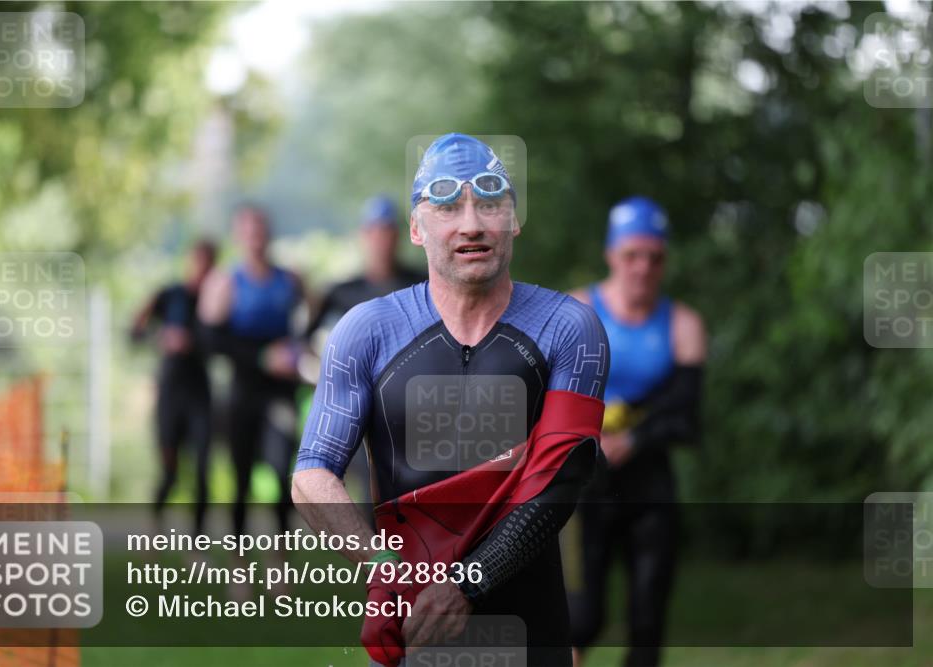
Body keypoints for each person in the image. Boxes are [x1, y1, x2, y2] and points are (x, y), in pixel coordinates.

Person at [292, 133, 610, 667]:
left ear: (514, 221)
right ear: (416, 229)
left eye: (490, 205)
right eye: (447, 207)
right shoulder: (367, 331)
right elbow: (311, 474)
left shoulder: (568, 327)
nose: (471, 224)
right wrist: (379, 565)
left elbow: (558, 482)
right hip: (416, 622)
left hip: (530, 630)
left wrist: (467, 586)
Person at [568, 196, 707, 667]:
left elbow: (686, 419)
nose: (643, 268)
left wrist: (632, 440)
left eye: (655, 257)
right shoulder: (579, 312)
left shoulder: (683, 325)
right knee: (579, 617)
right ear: (612, 255)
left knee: (648, 621)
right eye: (632, 255)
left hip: (650, 486)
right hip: (584, 487)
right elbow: (545, 400)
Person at [301, 195, 426, 502]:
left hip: (415, 408)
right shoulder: (341, 292)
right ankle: (377, 550)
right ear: (363, 236)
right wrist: (322, 375)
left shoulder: (422, 285)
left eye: (388, 232)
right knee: (372, 492)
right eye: (375, 232)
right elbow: (305, 347)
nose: (382, 240)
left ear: (400, 236)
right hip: (360, 409)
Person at [198, 204, 304, 540]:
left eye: (260, 231)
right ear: (239, 237)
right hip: (243, 390)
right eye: (248, 232)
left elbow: (312, 325)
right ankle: (239, 561)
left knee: (282, 471)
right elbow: (211, 340)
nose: (256, 239)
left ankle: (279, 560)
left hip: (280, 391)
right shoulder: (225, 282)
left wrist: (300, 352)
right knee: (241, 476)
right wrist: (261, 356)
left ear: (269, 235)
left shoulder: (290, 280)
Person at [130, 239, 217, 536]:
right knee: (170, 472)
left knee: (203, 472)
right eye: (198, 262)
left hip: (200, 395)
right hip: (170, 393)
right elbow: (134, 331)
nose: (202, 271)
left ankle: (197, 543)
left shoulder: (217, 301)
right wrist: (162, 337)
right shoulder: (169, 295)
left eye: (208, 264)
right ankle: (154, 526)